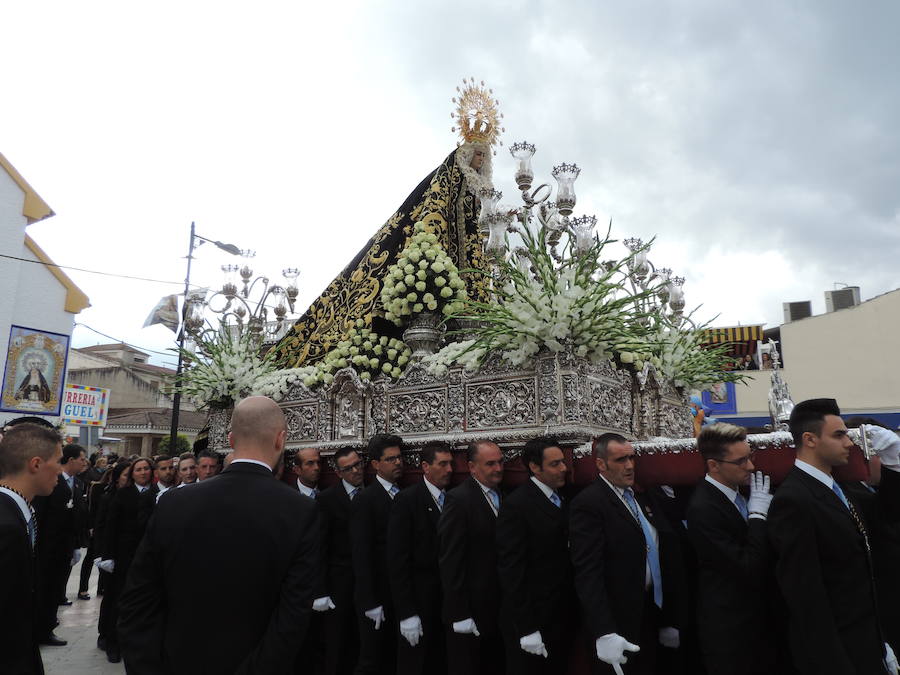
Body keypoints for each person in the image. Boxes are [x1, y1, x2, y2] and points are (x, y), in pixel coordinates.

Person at [271, 80, 498, 369]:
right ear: (466, 153)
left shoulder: (478, 188)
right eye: (476, 153)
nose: (479, 159)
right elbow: (434, 209)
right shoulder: (450, 173)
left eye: (484, 155)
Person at [119, 396, 320, 673]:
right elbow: (293, 615)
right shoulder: (300, 510)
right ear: (280, 439)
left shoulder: (174, 502)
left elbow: (138, 599)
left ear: (231, 439)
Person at [768, 398, 900, 674]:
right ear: (810, 439)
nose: (850, 443)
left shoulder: (839, 489)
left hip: (865, 642)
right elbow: (806, 595)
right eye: (839, 435)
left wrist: (893, 460)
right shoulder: (794, 499)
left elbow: (886, 518)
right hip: (838, 654)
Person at [569, 433, 685, 675]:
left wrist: (668, 617)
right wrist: (604, 631)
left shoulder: (641, 497)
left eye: (632, 458)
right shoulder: (589, 504)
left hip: (649, 612)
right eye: (621, 459)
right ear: (601, 464)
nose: (630, 465)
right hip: (617, 618)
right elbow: (588, 573)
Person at [686, 423, 777, 674]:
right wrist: (757, 516)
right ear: (714, 465)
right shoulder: (703, 508)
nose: (750, 466)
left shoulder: (740, 493)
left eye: (750, 457)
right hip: (730, 631)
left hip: (757, 623)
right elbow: (747, 566)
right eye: (740, 462)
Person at [496, 436, 576, 674]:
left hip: (560, 615)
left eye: (563, 462)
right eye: (555, 464)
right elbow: (511, 570)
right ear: (534, 467)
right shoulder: (517, 506)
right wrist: (526, 628)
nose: (563, 468)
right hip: (531, 619)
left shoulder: (564, 496)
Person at [438, 440, 506, 675]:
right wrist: (459, 613)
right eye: (490, 464)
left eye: (500, 462)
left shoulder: (502, 495)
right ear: (472, 467)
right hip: (469, 611)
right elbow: (451, 560)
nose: (498, 468)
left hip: (497, 609)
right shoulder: (459, 500)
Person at [0, 422, 63, 674]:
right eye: (58, 461)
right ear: (36, 464)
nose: (60, 469)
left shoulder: (17, 513)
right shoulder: (6, 527)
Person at [388, 440, 453, 675]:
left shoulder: (453, 498)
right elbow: (398, 560)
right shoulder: (407, 500)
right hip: (418, 602)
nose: (449, 470)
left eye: (451, 464)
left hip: (445, 604)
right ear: (425, 467)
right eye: (443, 464)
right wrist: (406, 613)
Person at [351, 433, 404, 674]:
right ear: (375, 464)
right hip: (376, 594)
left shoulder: (403, 494)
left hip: (397, 591)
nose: (398, 463)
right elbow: (362, 553)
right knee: (371, 658)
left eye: (400, 458)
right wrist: (369, 601)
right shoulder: (366, 499)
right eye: (391, 459)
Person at [98, 456, 155, 662]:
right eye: (138, 469)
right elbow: (111, 527)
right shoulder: (123, 495)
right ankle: (113, 643)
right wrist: (108, 556)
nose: (142, 473)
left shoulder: (158, 494)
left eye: (146, 469)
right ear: (132, 473)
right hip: (124, 556)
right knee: (118, 600)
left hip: (148, 557)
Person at [32, 442, 89, 646]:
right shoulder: (52, 484)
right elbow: (41, 515)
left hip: (65, 547)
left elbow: (77, 515)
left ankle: (48, 626)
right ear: (71, 459)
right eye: (82, 459)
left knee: (56, 589)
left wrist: (76, 544)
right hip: (47, 548)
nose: (85, 463)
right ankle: (39, 629)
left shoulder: (78, 483)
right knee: (44, 589)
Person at [316, 447, 365, 675]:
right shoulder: (326, 499)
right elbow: (319, 547)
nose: (356, 471)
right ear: (338, 473)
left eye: (358, 464)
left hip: (367, 585)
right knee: (337, 644)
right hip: (338, 585)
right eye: (349, 468)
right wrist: (321, 590)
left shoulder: (372, 492)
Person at [94, 460, 132, 653]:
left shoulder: (133, 497)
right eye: (126, 475)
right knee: (110, 596)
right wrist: (102, 555)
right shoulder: (109, 498)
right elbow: (101, 527)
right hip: (110, 556)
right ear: (117, 478)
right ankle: (105, 634)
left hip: (126, 557)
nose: (129, 478)